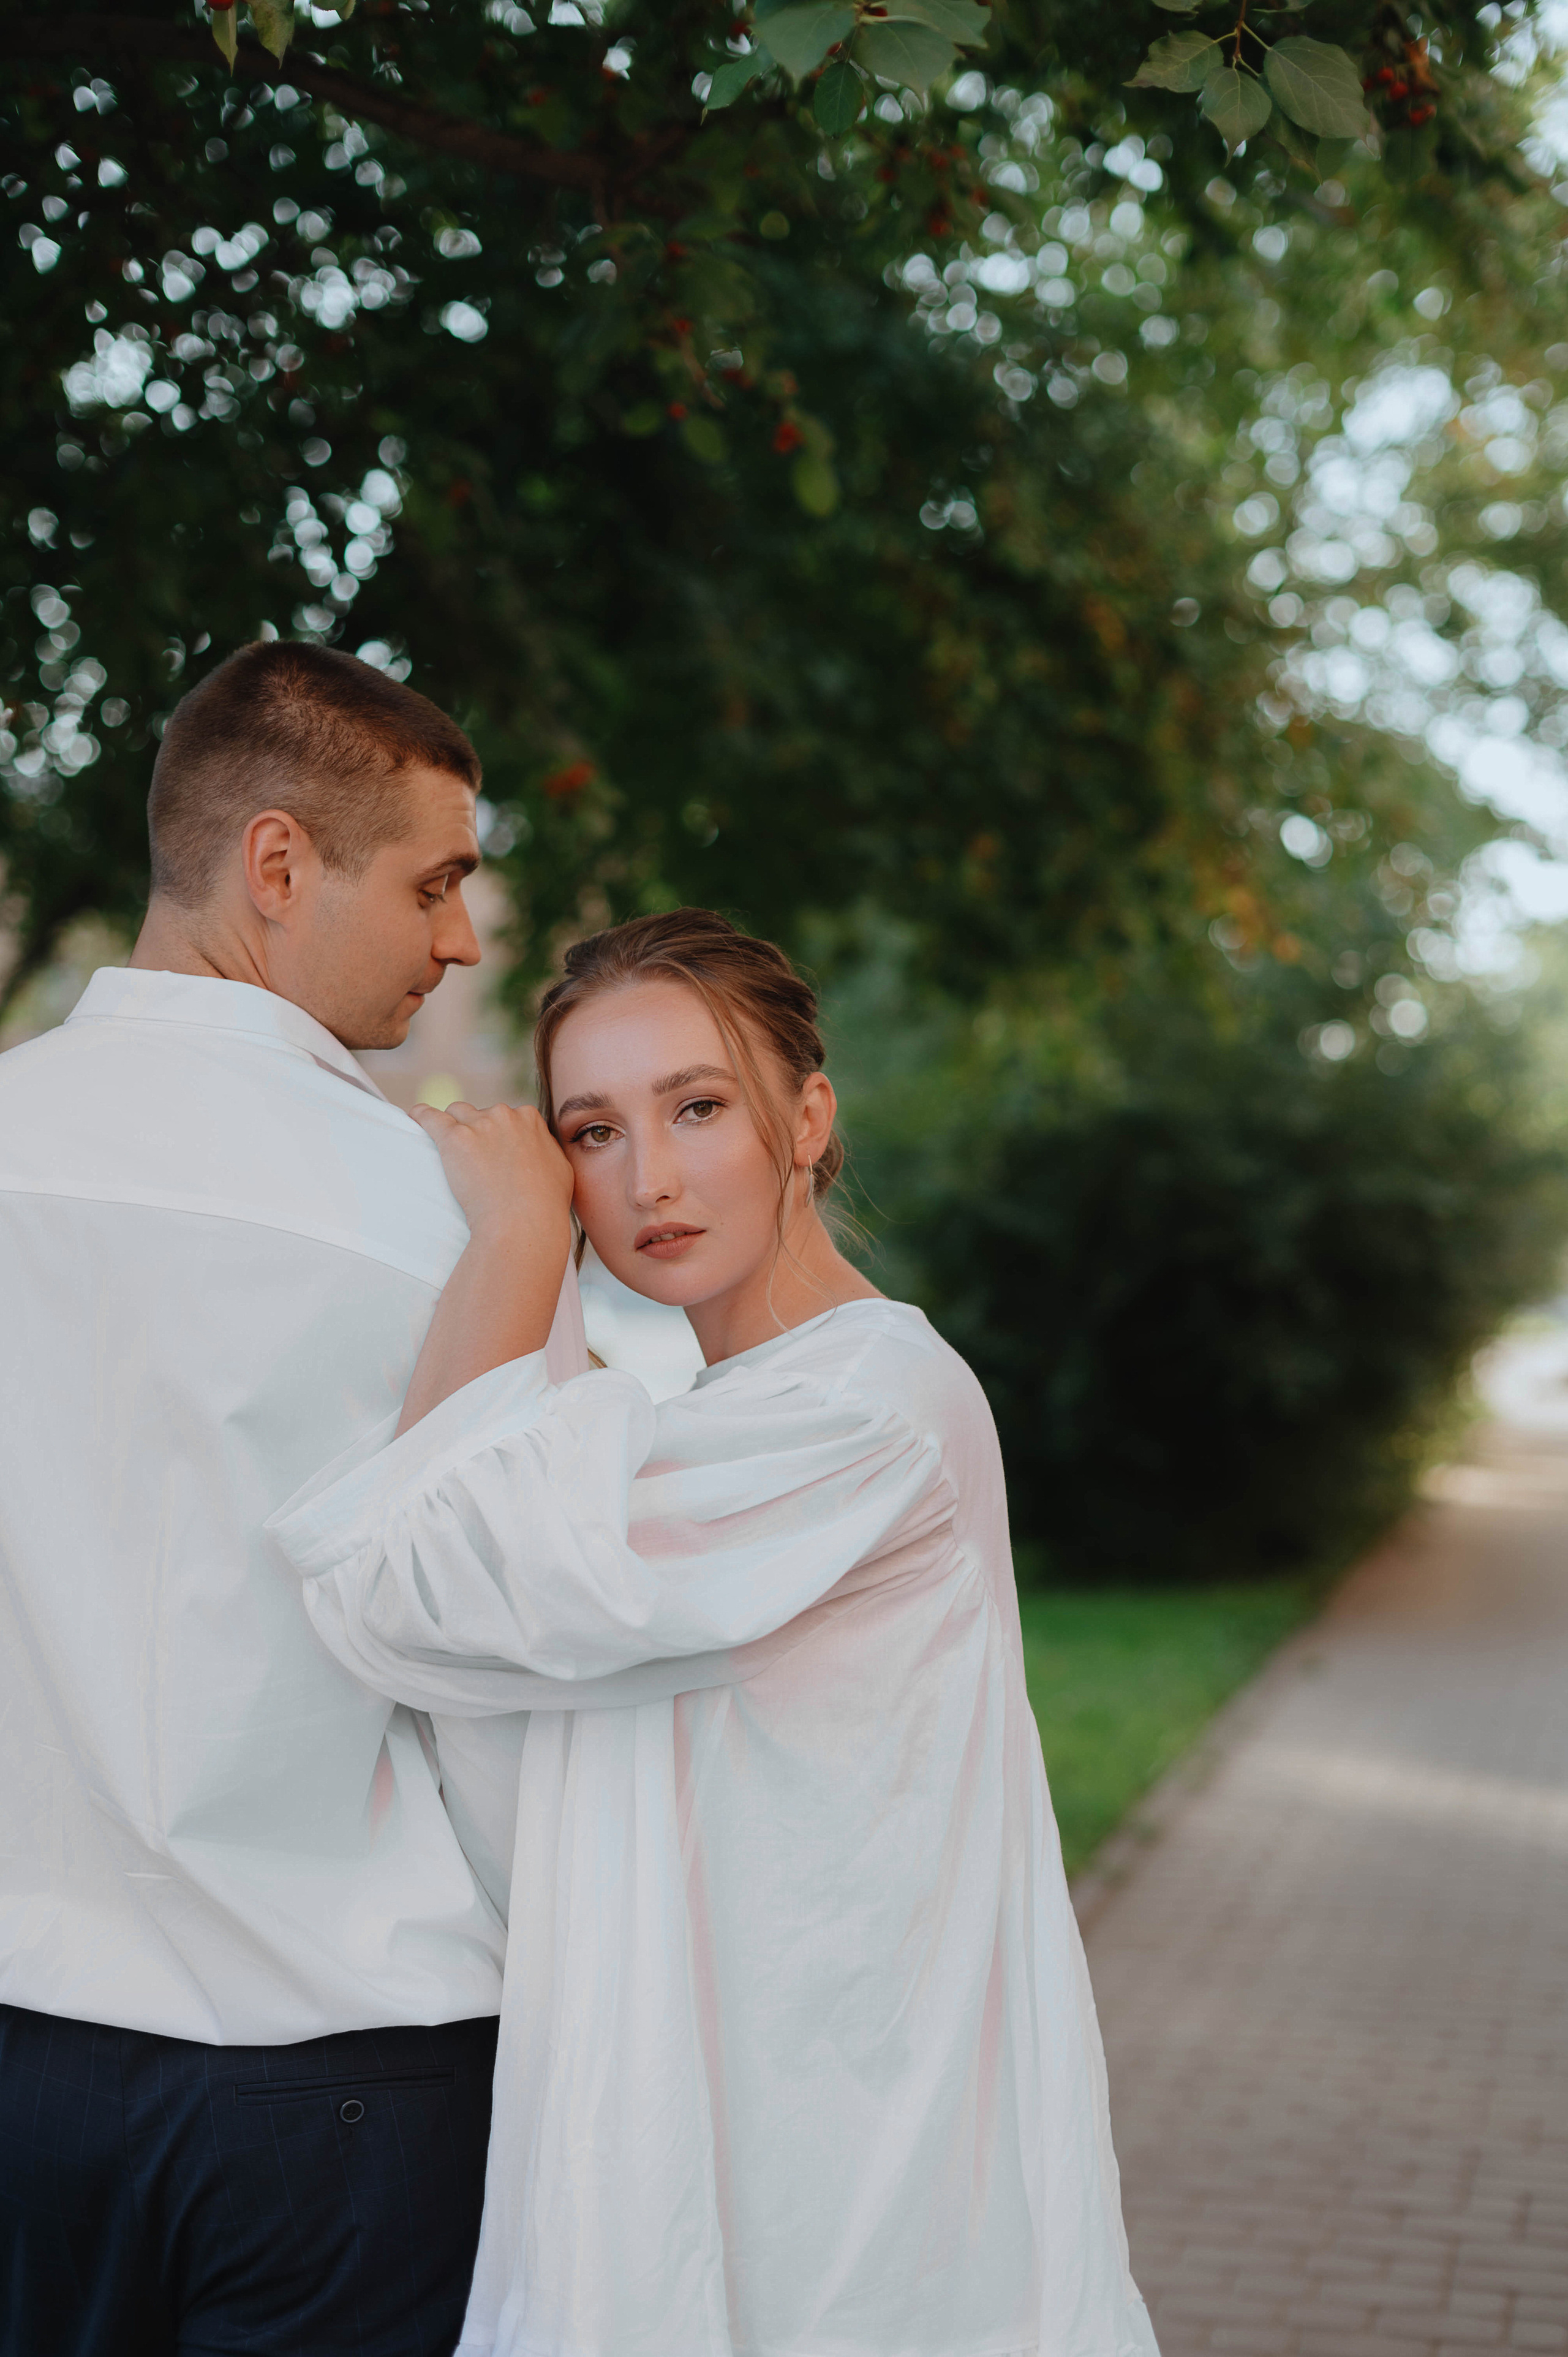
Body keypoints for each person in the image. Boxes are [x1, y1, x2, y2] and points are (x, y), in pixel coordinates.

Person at [268, 909, 1161, 2357]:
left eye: (697, 1107)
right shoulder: (713, 1425)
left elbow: (406, 1580)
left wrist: (510, 1234)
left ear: (806, 1115)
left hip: (842, 2192)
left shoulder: (866, 1412)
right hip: (720, 2143)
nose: (650, 1178)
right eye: (592, 1133)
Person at [0, 641, 591, 2357]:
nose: (464, 941)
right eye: (438, 881)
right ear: (277, 864)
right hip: (344, 2085)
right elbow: (514, 1662)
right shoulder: (458, 1225)